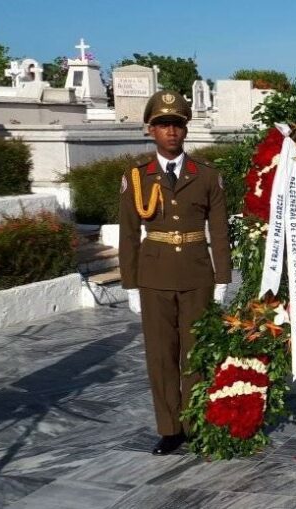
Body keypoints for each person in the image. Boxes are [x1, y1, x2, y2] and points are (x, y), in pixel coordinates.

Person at [119, 91, 231, 455]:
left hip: (197, 274)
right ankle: (170, 428)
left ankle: (195, 422)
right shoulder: (137, 177)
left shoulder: (207, 175)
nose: (171, 132)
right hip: (154, 276)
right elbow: (128, 233)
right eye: (163, 125)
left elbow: (219, 230)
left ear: (186, 130)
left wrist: (222, 278)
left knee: (195, 353)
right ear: (150, 130)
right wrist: (131, 285)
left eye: (177, 125)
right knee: (160, 354)